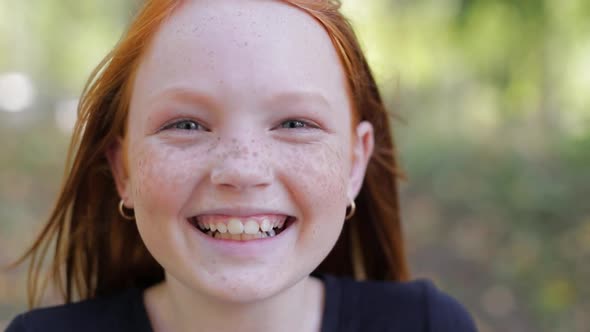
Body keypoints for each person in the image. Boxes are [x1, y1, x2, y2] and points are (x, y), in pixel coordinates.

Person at [6, 0, 478, 331]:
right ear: (124, 168)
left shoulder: (428, 325)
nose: (241, 168)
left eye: (295, 122)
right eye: (187, 124)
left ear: (355, 163)